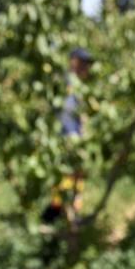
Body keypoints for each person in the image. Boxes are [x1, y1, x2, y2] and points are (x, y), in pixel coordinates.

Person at [41, 48, 93, 224]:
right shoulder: (64, 83)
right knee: (65, 178)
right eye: (82, 63)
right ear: (72, 61)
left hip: (75, 139)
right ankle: (56, 211)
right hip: (64, 138)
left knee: (77, 178)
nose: (86, 68)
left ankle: (69, 213)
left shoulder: (80, 86)